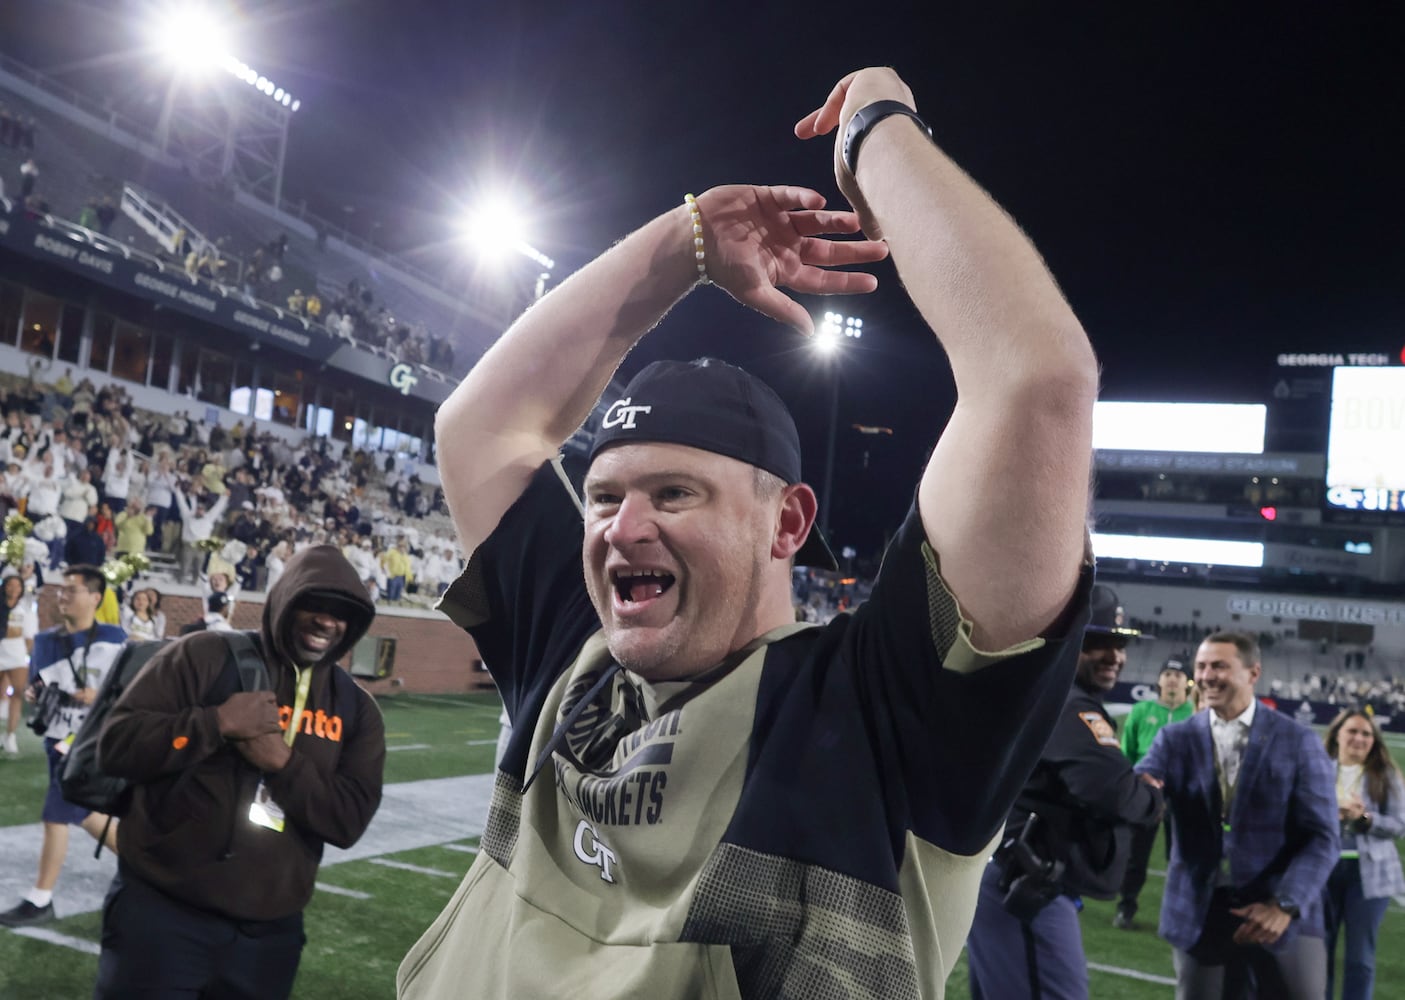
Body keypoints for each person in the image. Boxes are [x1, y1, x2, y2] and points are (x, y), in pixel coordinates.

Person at [398, 66, 1099, 999]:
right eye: (603, 496)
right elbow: (480, 429)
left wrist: (876, 129)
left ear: (787, 522)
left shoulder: (878, 717)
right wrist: (686, 242)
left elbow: (1035, 383)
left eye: (675, 493)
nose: (622, 527)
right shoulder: (577, 654)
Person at [93, 544, 385, 998]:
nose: (327, 620)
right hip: (162, 916)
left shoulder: (356, 709)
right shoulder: (204, 655)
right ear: (284, 599)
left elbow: (347, 821)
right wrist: (215, 724)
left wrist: (283, 764)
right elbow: (115, 747)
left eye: (341, 612)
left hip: (269, 937)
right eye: (314, 603)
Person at [966, 585, 1164, 999]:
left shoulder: (1041, 690)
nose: (1114, 656)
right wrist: (1151, 795)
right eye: (1097, 643)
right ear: (1069, 641)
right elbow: (1115, 793)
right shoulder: (1070, 705)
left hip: (1008, 875)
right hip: (1025, 886)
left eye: (1118, 644)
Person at [1136, 631, 1338, 999]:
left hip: (1279, 910)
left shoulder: (1298, 741)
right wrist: (1141, 789)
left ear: (1253, 672)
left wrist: (1285, 905)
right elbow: (1144, 781)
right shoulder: (1174, 738)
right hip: (1200, 911)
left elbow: (1323, 837)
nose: (1207, 675)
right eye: (1201, 666)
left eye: (1219, 666)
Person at [0, 565, 125, 927]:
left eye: (71, 590)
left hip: (91, 740)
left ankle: (40, 898)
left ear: (95, 597)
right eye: (61, 590)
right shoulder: (45, 641)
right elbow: (37, 687)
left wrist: (98, 696)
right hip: (57, 739)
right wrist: (35, 693)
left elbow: (129, 686)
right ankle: (146, 865)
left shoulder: (116, 638)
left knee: (55, 814)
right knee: (84, 814)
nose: (62, 596)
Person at [1321, 710, 1405, 1000]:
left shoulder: (1385, 776)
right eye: (1352, 732)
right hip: (1322, 872)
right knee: (1321, 954)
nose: (1359, 738)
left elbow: (1400, 825)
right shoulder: (1318, 769)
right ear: (1337, 735)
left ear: (1374, 741)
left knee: (1360, 958)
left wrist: (1365, 818)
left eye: (1366, 734)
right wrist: (1328, 816)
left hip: (1370, 877)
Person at [1114, 657, 1194, 929]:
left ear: (1188, 681)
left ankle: (1177, 914)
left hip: (1183, 793)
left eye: (1178, 674)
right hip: (1145, 789)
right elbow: (1127, 752)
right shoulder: (1141, 710)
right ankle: (1126, 907)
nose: (1172, 678)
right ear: (1159, 680)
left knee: (1181, 855)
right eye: (1167, 673)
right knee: (1137, 854)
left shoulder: (1196, 714)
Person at [0, 572, 37, 755]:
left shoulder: (25, 610)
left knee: (17, 693)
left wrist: (27, 656)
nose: (14, 589)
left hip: (16, 655)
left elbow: (29, 638)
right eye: (10, 585)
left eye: (17, 586)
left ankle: (10, 735)